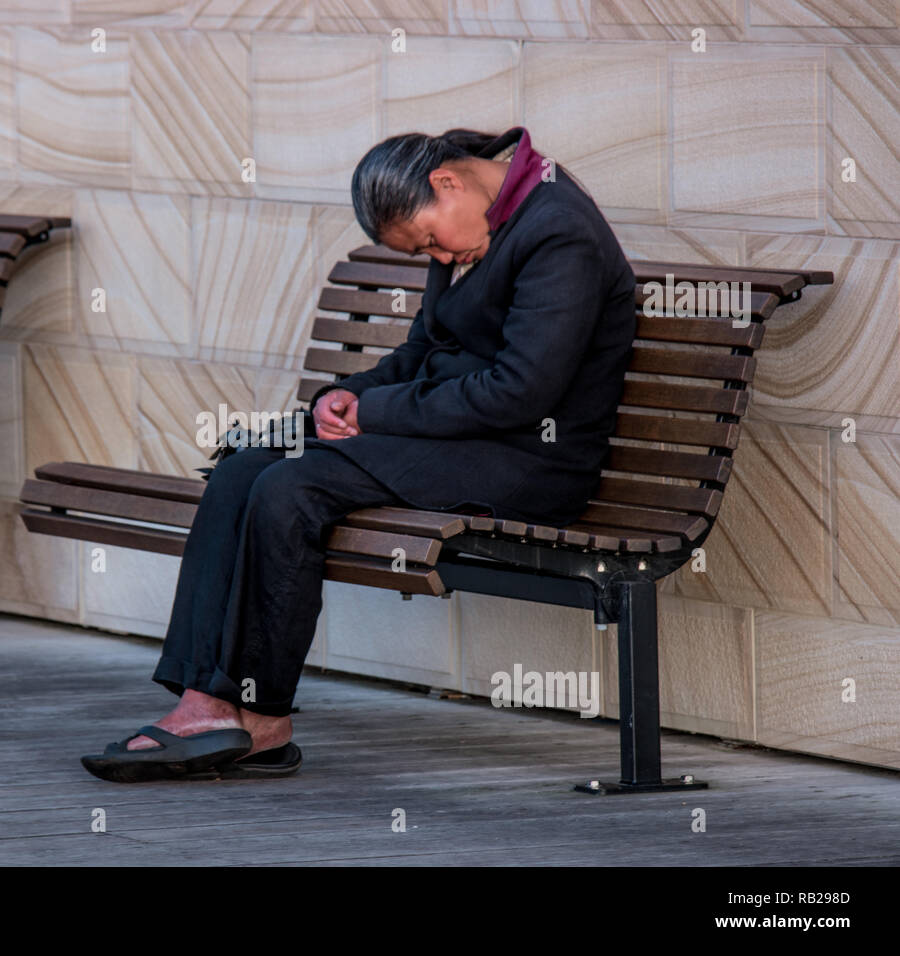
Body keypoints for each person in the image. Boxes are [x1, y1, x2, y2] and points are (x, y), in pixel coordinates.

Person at [81, 126, 638, 783]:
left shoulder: (556, 230)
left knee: (293, 487)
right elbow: (425, 349)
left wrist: (373, 413)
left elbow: (521, 394)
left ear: (447, 182)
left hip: (527, 461)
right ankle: (203, 700)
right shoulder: (484, 220)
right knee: (242, 470)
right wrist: (349, 395)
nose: (436, 253)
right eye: (424, 249)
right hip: (455, 441)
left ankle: (262, 719)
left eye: (429, 240)